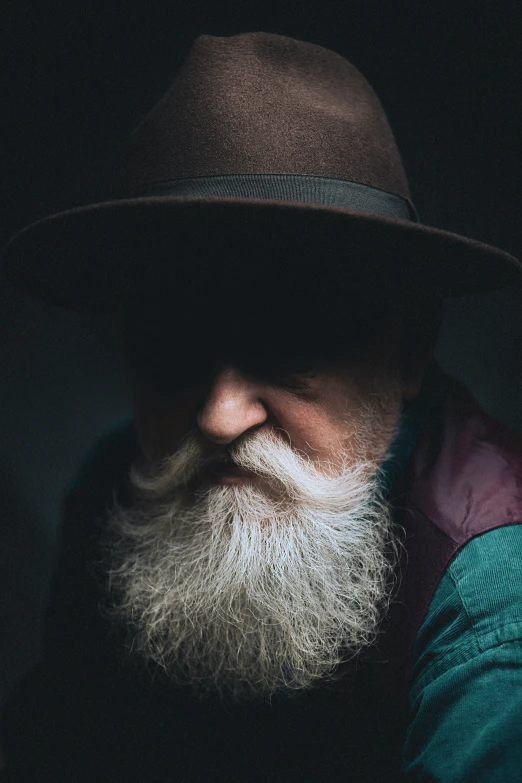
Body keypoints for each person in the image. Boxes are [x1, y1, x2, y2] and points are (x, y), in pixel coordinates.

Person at [1, 31, 522, 783]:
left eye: (287, 340)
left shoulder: (495, 606)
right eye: (172, 344)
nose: (218, 415)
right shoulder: (120, 491)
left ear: (408, 348)